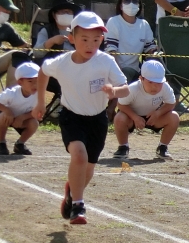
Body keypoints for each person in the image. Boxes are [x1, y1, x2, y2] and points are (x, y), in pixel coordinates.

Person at [31, 12, 129, 225]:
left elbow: (125, 89)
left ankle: (71, 193)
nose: (90, 45)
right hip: (71, 116)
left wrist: (114, 91)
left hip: (97, 119)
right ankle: (78, 205)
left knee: (89, 167)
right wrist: (40, 102)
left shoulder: (106, 61)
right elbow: (43, 71)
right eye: (84, 39)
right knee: (79, 156)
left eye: (96, 40)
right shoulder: (62, 62)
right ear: (72, 39)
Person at [111, 59, 180, 162]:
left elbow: (171, 103)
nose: (154, 86)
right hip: (131, 117)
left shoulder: (165, 88)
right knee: (119, 118)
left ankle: (162, 147)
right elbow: (121, 104)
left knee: (174, 117)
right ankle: (123, 147)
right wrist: (135, 117)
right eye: (150, 82)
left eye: (159, 83)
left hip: (153, 117)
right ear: (141, 79)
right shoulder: (133, 89)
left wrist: (158, 113)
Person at [104, 0, 157, 83]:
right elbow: (111, 53)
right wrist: (119, 76)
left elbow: (150, 50)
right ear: (121, 6)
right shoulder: (114, 22)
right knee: (126, 73)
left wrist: (155, 53)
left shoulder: (144, 25)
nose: (131, 4)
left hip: (137, 71)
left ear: (139, 5)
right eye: (127, 0)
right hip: (116, 70)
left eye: (135, 1)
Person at [0, 61, 41, 156]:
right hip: (8, 117)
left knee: (34, 123)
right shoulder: (12, 93)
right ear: (20, 82)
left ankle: (20, 144)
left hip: (22, 120)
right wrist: (7, 111)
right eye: (30, 81)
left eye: (37, 81)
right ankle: (1, 143)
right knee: (3, 117)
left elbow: (38, 111)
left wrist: (23, 117)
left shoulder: (39, 95)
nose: (35, 84)